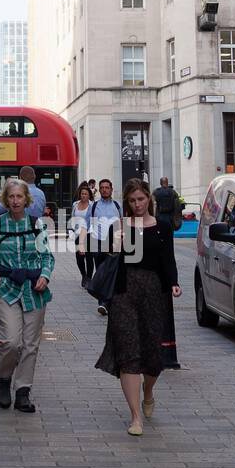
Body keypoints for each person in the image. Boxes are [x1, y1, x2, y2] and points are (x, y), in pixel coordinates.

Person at [95, 178, 181, 436]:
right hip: (124, 292)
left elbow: (168, 258)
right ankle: (135, 417)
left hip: (153, 291)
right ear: (127, 203)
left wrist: (174, 283)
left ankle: (148, 390)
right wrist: (115, 246)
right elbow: (105, 258)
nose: (137, 204)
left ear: (148, 199)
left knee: (153, 355)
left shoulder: (162, 227)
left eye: (141, 199)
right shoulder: (119, 226)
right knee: (129, 351)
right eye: (132, 201)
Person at [0, 179, 54, 413]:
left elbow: (47, 256)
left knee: (30, 344)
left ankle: (23, 392)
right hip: (5, 288)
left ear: (27, 199)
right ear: (6, 200)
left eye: (19, 197)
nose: (15, 201)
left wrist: (45, 275)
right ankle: (4, 380)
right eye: (11, 197)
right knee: (11, 342)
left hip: (34, 290)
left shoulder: (37, 225)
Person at [87, 178, 124, 318]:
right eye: (102, 187)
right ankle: (102, 302)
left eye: (107, 187)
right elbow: (89, 224)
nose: (104, 190)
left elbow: (122, 222)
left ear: (111, 189)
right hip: (98, 243)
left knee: (111, 273)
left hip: (114, 244)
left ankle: (105, 302)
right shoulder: (94, 206)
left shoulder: (117, 205)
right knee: (100, 273)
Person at [68, 182, 95, 286]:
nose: (83, 195)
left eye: (85, 194)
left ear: (89, 195)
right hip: (78, 234)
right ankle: (83, 275)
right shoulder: (75, 204)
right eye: (82, 194)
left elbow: (93, 220)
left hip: (89, 234)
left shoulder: (92, 205)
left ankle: (89, 278)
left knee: (89, 257)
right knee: (79, 257)